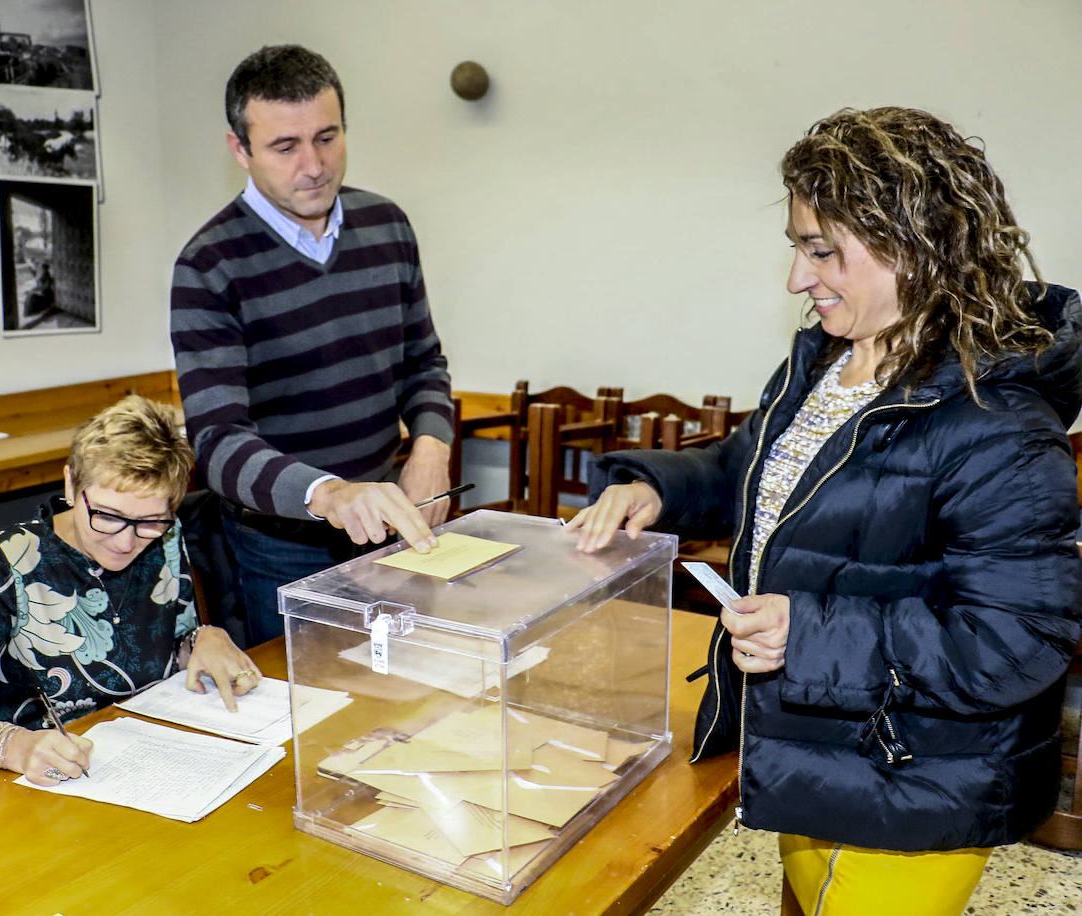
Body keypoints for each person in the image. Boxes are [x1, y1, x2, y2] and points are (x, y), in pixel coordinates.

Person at [568, 107, 1082, 914]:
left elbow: (1018, 639)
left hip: (919, 785)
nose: (797, 279)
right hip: (823, 749)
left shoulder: (1001, 424)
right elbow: (752, 468)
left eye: (822, 251)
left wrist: (808, 634)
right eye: (798, 248)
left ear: (913, 248)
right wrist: (657, 486)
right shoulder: (830, 361)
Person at [171, 44, 455, 645]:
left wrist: (430, 448)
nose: (314, 165)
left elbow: (423, 362)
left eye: (327, 138)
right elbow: (218, 442)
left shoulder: (388, 226)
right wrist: (328, 493)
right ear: (239, 150)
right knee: (307, 714)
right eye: (285, 147)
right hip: (282, 545)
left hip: (387, 527)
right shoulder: (209, 265)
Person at [0, 395, 259, 786]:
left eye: (149, 521)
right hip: (31, 782)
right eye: (107, 516)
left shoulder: (164, 537)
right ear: (71, 483)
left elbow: (163, 647)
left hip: (146, 762)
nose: (126, 543)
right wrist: (15, 746)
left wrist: (201, 640)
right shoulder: (6, 560)